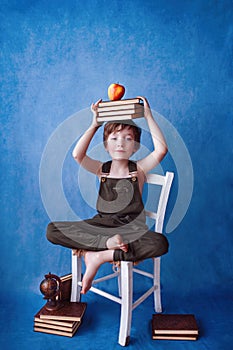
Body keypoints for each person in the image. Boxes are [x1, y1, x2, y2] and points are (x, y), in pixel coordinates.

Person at [46, 96, 169, 294]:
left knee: (160, 243)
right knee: (52, 230)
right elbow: (77, 155)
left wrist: (148, 115)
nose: (120, 143)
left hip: (131, 230)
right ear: (106, 145)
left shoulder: (138, 170)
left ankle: (99, 256)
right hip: (102, 227)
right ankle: (107, 246)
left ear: (135, 146)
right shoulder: (101, 170)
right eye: (114, 138)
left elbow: (161, 149)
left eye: (128, 139)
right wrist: (94, 124)